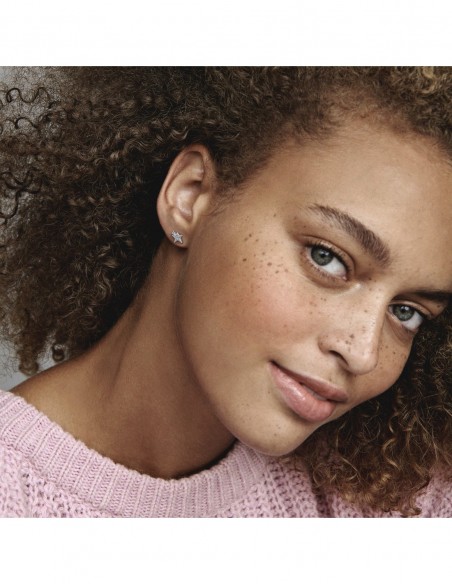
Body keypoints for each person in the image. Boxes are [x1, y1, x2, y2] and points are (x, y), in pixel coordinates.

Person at [0, 67, 451, 518]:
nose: (363, 354)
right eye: (327, 258)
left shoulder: (395, 494)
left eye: (406, 312)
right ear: (190, 196)